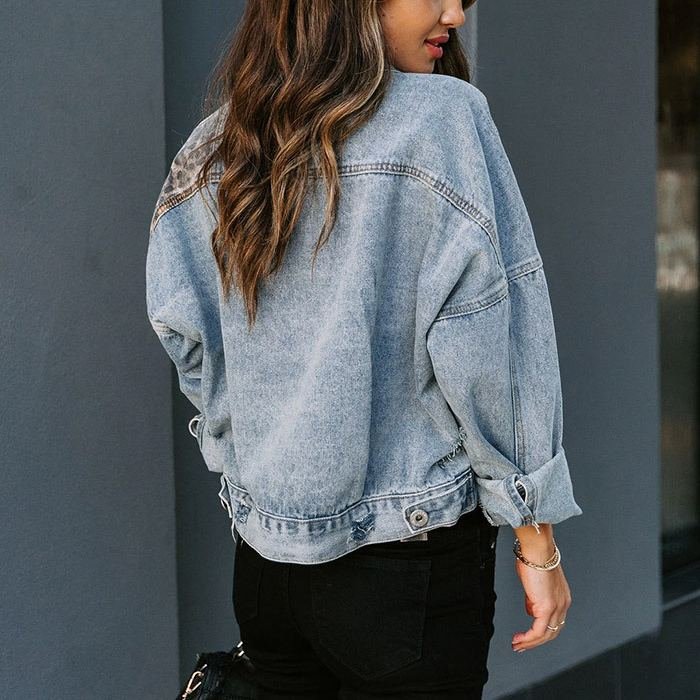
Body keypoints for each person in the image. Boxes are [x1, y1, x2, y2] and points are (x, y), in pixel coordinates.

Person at [145, 0, 583, 697]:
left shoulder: (221, 141)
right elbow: (491, 342)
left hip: (266, 573)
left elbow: (187, 337)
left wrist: (254, 464)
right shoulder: (444, 119)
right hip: (408, 569)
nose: (454, 14)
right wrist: (536, 538)